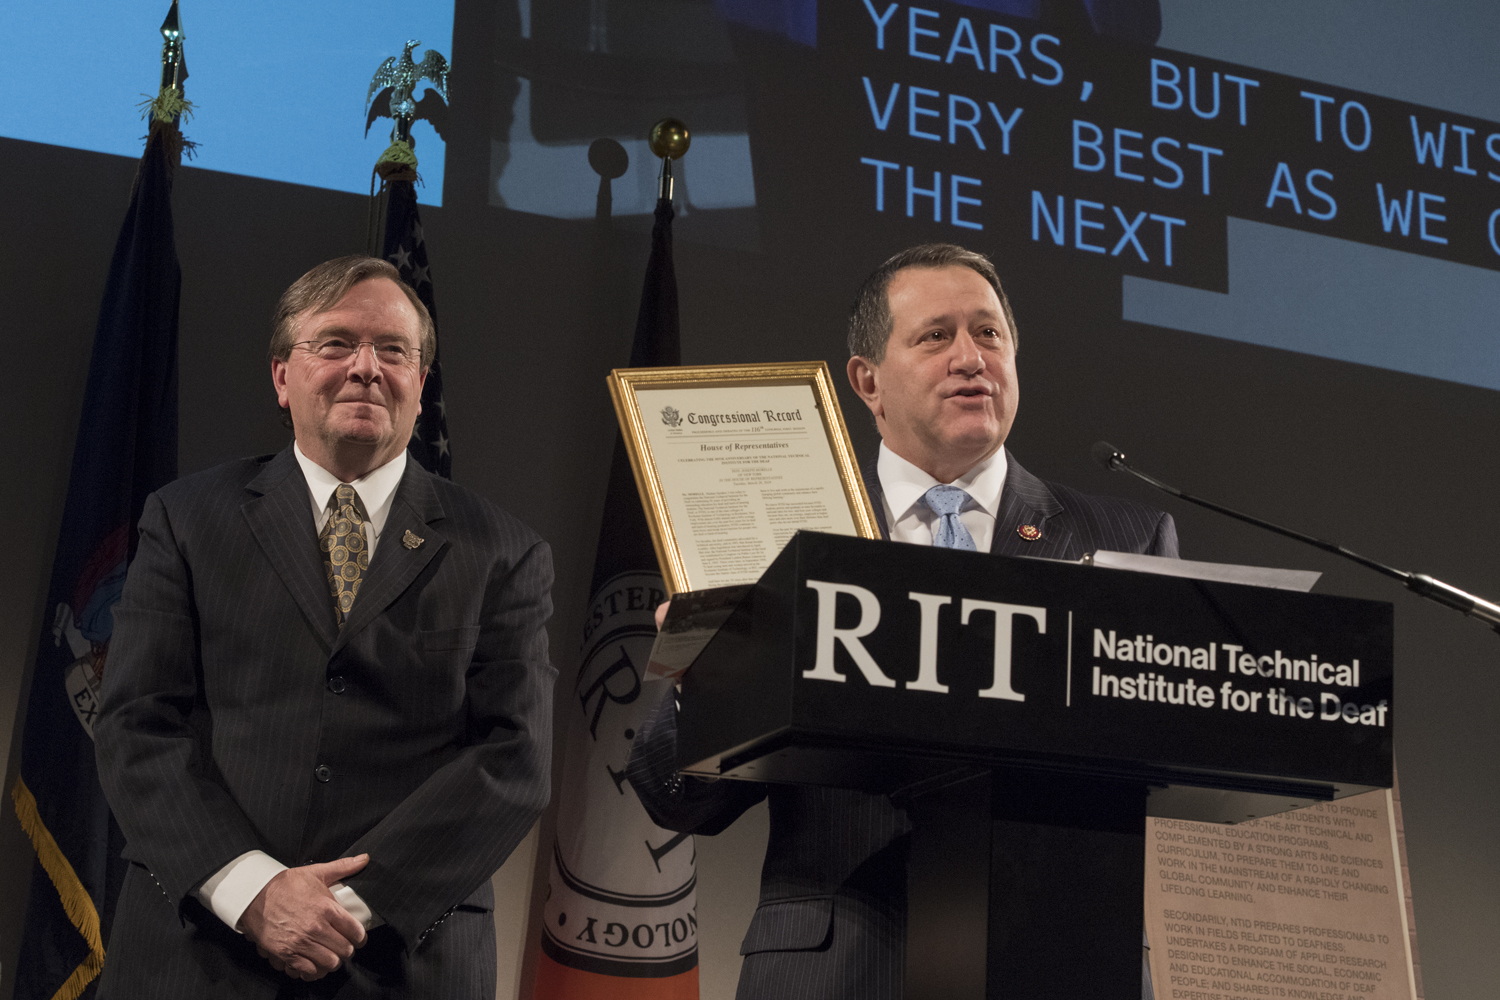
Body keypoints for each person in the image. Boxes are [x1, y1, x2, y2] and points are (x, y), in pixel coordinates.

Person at [627, 244, 1176, 999]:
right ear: (868, 381)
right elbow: (675, 795)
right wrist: (707, 684)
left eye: (989, 333)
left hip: (1056, 959)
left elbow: (1161, 769)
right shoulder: (784, 536)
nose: (971, 358)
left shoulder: (1126, 539)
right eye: (935, 336)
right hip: (837, 968)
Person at [93, 256, 556, 998]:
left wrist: (340, 909)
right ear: (283, 377)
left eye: (393, 350)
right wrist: (254, 893)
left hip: (401, 959)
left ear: (420, 382)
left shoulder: (505, 552)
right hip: (197, 952)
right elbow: (135, 723)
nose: (366, 368)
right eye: (336, 343)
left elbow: (515, 760)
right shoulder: (185, 520)